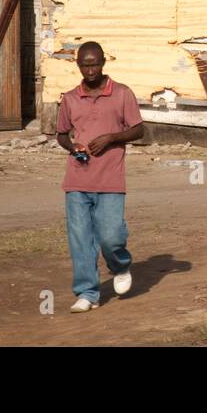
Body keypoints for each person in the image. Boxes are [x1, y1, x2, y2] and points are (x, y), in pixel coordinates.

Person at [55, 41, 144, 313]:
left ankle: (119, 265)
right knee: (80, 239)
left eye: (94, 64)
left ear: (103, 62)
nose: (90, 70)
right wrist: (74, 147)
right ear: (78, 65)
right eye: (85, 64)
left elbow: (139, 129)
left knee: (111, 235)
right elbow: (61, 135)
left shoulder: (122, 94)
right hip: (77, 179)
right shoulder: (70, 98)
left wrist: (112, 138)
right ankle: (87, 292)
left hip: (110, 179)